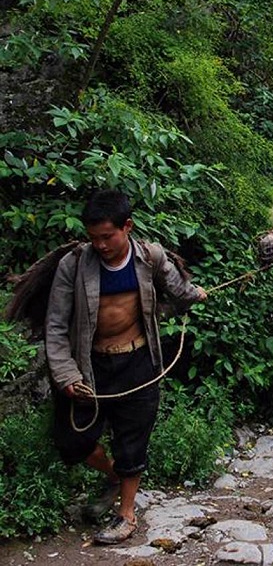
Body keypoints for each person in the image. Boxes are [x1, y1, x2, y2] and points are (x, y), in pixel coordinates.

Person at [45, 190, 207, 545]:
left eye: (108, 236)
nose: (100, 245)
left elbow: (177, 290)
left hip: (137, 362)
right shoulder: (73, 265)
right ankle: (114, 476)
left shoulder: (150, 257)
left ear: (127, 227)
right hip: (89, 367)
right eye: (94, 238)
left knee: (132, 441)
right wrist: (66, 374)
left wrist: (194, 294)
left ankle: (126, 514)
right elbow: (56, 325)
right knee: (72, 441)